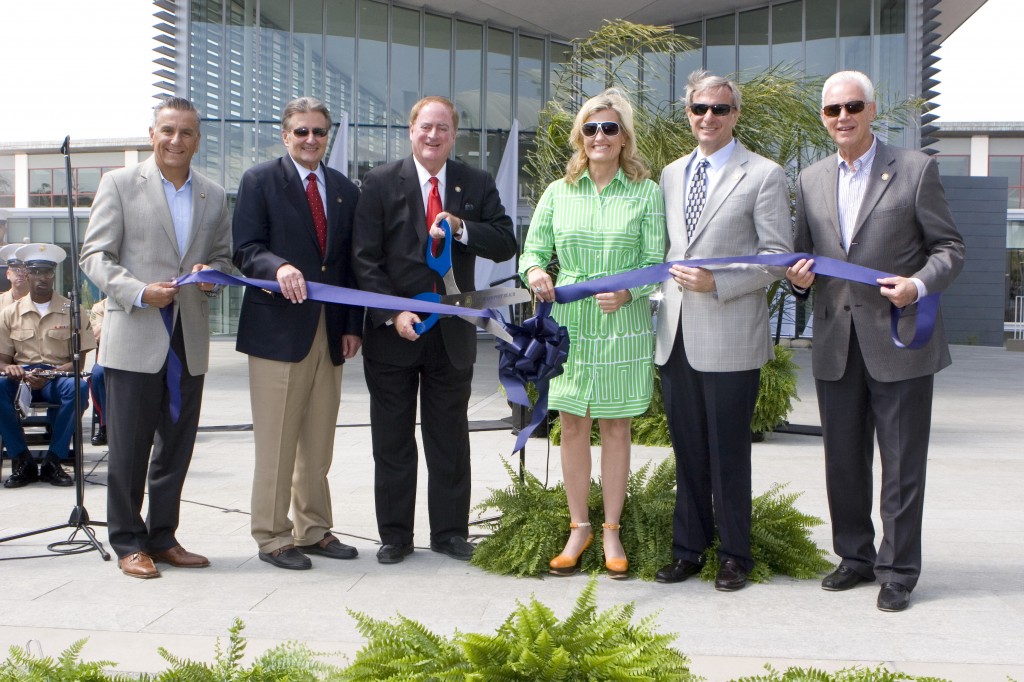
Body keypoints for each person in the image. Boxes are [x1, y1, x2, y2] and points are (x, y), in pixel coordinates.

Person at [786, 71, 965, 612]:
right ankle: (855, 557)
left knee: (902, 462)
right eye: (833, 109)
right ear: (823, 117)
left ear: (872, 110)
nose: (843, 116)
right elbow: (803, 257)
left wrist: (917, 285)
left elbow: (950, 248)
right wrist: (796, 280)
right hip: (836, 342)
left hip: (901, 339)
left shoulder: (914, 170)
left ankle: (899, 570)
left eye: (853, 106)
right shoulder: (810, 179)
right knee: (842, 458)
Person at [352, 95, 516, 564]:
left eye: (443, 128)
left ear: (453, 134)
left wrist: (464, 228)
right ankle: (395, 537)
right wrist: (390, 314)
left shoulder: (475, 183)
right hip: (392, 336)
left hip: (452, 336)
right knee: (392, 441)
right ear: (411, 130)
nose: (433, 135)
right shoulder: (380, 182)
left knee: (449, 440)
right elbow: (364, 258)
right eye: (426, 126)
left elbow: (506, 242)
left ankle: (449, 533)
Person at [80, 96, 233, 580]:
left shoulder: (213, 194)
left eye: (186, 132)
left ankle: (163, 537)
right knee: (128, 447)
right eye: (168, 130)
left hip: (188, 339)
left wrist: (214, 275)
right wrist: (139, 292)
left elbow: (227, 260)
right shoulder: (120, 184)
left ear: (197, 140)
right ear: (152, 135)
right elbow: (95, 256)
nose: (176, 141)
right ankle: (127, 541)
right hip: (136, 335)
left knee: (177, 446)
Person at [653, 71, 792, 592]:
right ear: (688, 114)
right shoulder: (669, 174)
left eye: (719, 109)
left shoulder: (764, 174)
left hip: (731, 333)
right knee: (686, 449)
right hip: (675, 333)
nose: (708, 117)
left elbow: (777, 259)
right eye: (699, 109)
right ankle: (688, 550)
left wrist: (720, 282)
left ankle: (735, 555)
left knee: (728, 452)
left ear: (735, 115)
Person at [520, 88, 665, 579]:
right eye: (591, 128)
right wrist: (537, 272)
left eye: (610, 128)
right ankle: (577, 526)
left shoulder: (645, 191)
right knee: (573, 424)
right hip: (570, 326)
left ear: (625, 137)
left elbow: (655, 264)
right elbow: (531, 251)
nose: (600, 136)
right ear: (579, 136)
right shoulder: (558, 191)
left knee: (617, 426)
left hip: (621, 325)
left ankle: (612, 528)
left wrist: (630, 294)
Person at [233, 96, 363, 571]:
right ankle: (271, 537)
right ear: (285, 135)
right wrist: (279, 266)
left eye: (319, 132)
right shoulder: (260, 181)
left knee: (318, 442)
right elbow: (245, 249)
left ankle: (313, 529)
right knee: (278, 443)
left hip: (329, 332)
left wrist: (352, 327)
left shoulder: (346, 190)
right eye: (302, 132)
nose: (311, 140)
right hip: (277, 333)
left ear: (329, 136)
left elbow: (348, 265)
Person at [0, 243, 93, 488]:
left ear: (54, 274)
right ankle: (22, 460)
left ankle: (54, 460)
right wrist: (9, 369)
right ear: (26, 274)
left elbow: (77, 363)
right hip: (21, 377)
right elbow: (1, 359)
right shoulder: (10, 312)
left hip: (56, 375)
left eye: (48, 272)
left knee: (79, 388)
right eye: (36, 272)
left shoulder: (73, 311)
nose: (42, 278)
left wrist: (51, 373)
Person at [88, 299, 107, 446]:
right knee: (98, 374)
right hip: (109, 356)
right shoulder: (100, 307)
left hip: (138, 356)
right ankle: (105, 426)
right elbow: (96, 335)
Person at [0, 243, 29, 310]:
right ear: (8, 274)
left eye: (25, 269)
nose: (21, 273)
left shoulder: (41, 303)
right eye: (16, 269)